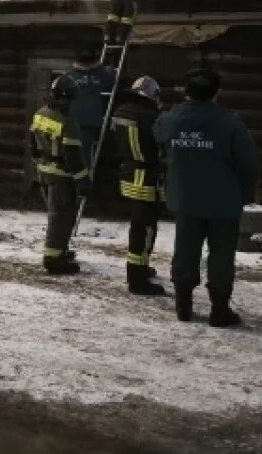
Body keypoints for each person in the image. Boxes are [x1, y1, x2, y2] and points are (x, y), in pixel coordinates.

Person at [153, 67, 261, 327]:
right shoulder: (230, 123)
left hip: (185, 199)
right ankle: (220, 310)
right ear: (216, 92)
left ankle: (183, 304)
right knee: (222, 255)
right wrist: (244, 192)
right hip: (223, 202)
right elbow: (250, 165)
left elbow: (158, 139)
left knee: (185, 251)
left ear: (186, 90)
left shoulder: (170, 119)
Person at [110, 75, 166, 296]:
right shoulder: (153, 117)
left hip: (128, 173)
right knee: (145, 228)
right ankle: (137, 278)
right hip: (147, 177)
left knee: (140, 226)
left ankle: (141, 267)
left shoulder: (120, 111)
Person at [30, 77, 90, 275]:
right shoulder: (68, 122)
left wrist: (37, 161)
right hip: (61, 175)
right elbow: (73, 156)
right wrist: (83, 180)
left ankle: (60, 250)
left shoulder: (39, 113)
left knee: (57, 214)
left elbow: (32, 141)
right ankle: (53, 259)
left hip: (43, 171)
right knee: (61, 217)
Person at [55, 44, 117, 180]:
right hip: (89, 122)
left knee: (70, 153)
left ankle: (72, 184)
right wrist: (110, 69)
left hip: (69, 122)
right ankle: (83, 185)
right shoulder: (101, 75)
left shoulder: (68, 77)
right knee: (84, 156)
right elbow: (112, 79)